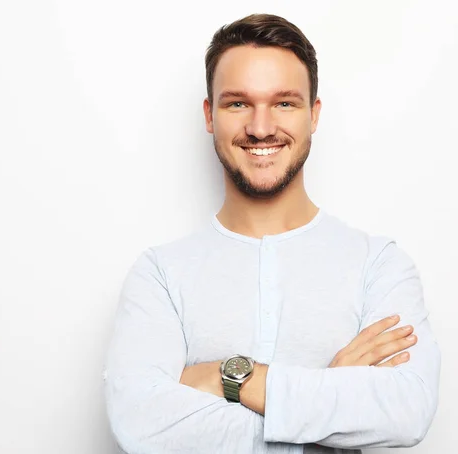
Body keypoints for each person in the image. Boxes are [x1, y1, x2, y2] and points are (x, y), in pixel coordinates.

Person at [102, 13, 441, 454]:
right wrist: (329, 398)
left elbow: (407, 411)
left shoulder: (378, 264)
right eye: (238, 103)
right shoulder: (160, 275)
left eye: (284, 103)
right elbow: (140, 423)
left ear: (314, 115)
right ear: (209, 115)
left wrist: (226, 376)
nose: (261, 127)